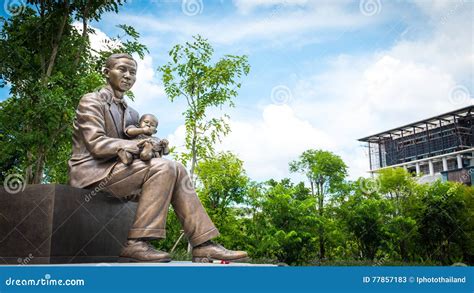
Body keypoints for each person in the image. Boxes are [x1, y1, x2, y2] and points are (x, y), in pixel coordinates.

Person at [68, 53, 248, 263]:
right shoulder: (91, 101)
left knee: (176, 167)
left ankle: (203, 244)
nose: (128, 76)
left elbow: (139, 150)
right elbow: (97, 144)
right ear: (106, 73)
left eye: (132, 72)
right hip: (92, 174)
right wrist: (139, 144)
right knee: (164, 168)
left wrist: (155, 147)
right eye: (122, 70)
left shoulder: (134, 114)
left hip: (120, 171)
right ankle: (136, 243)